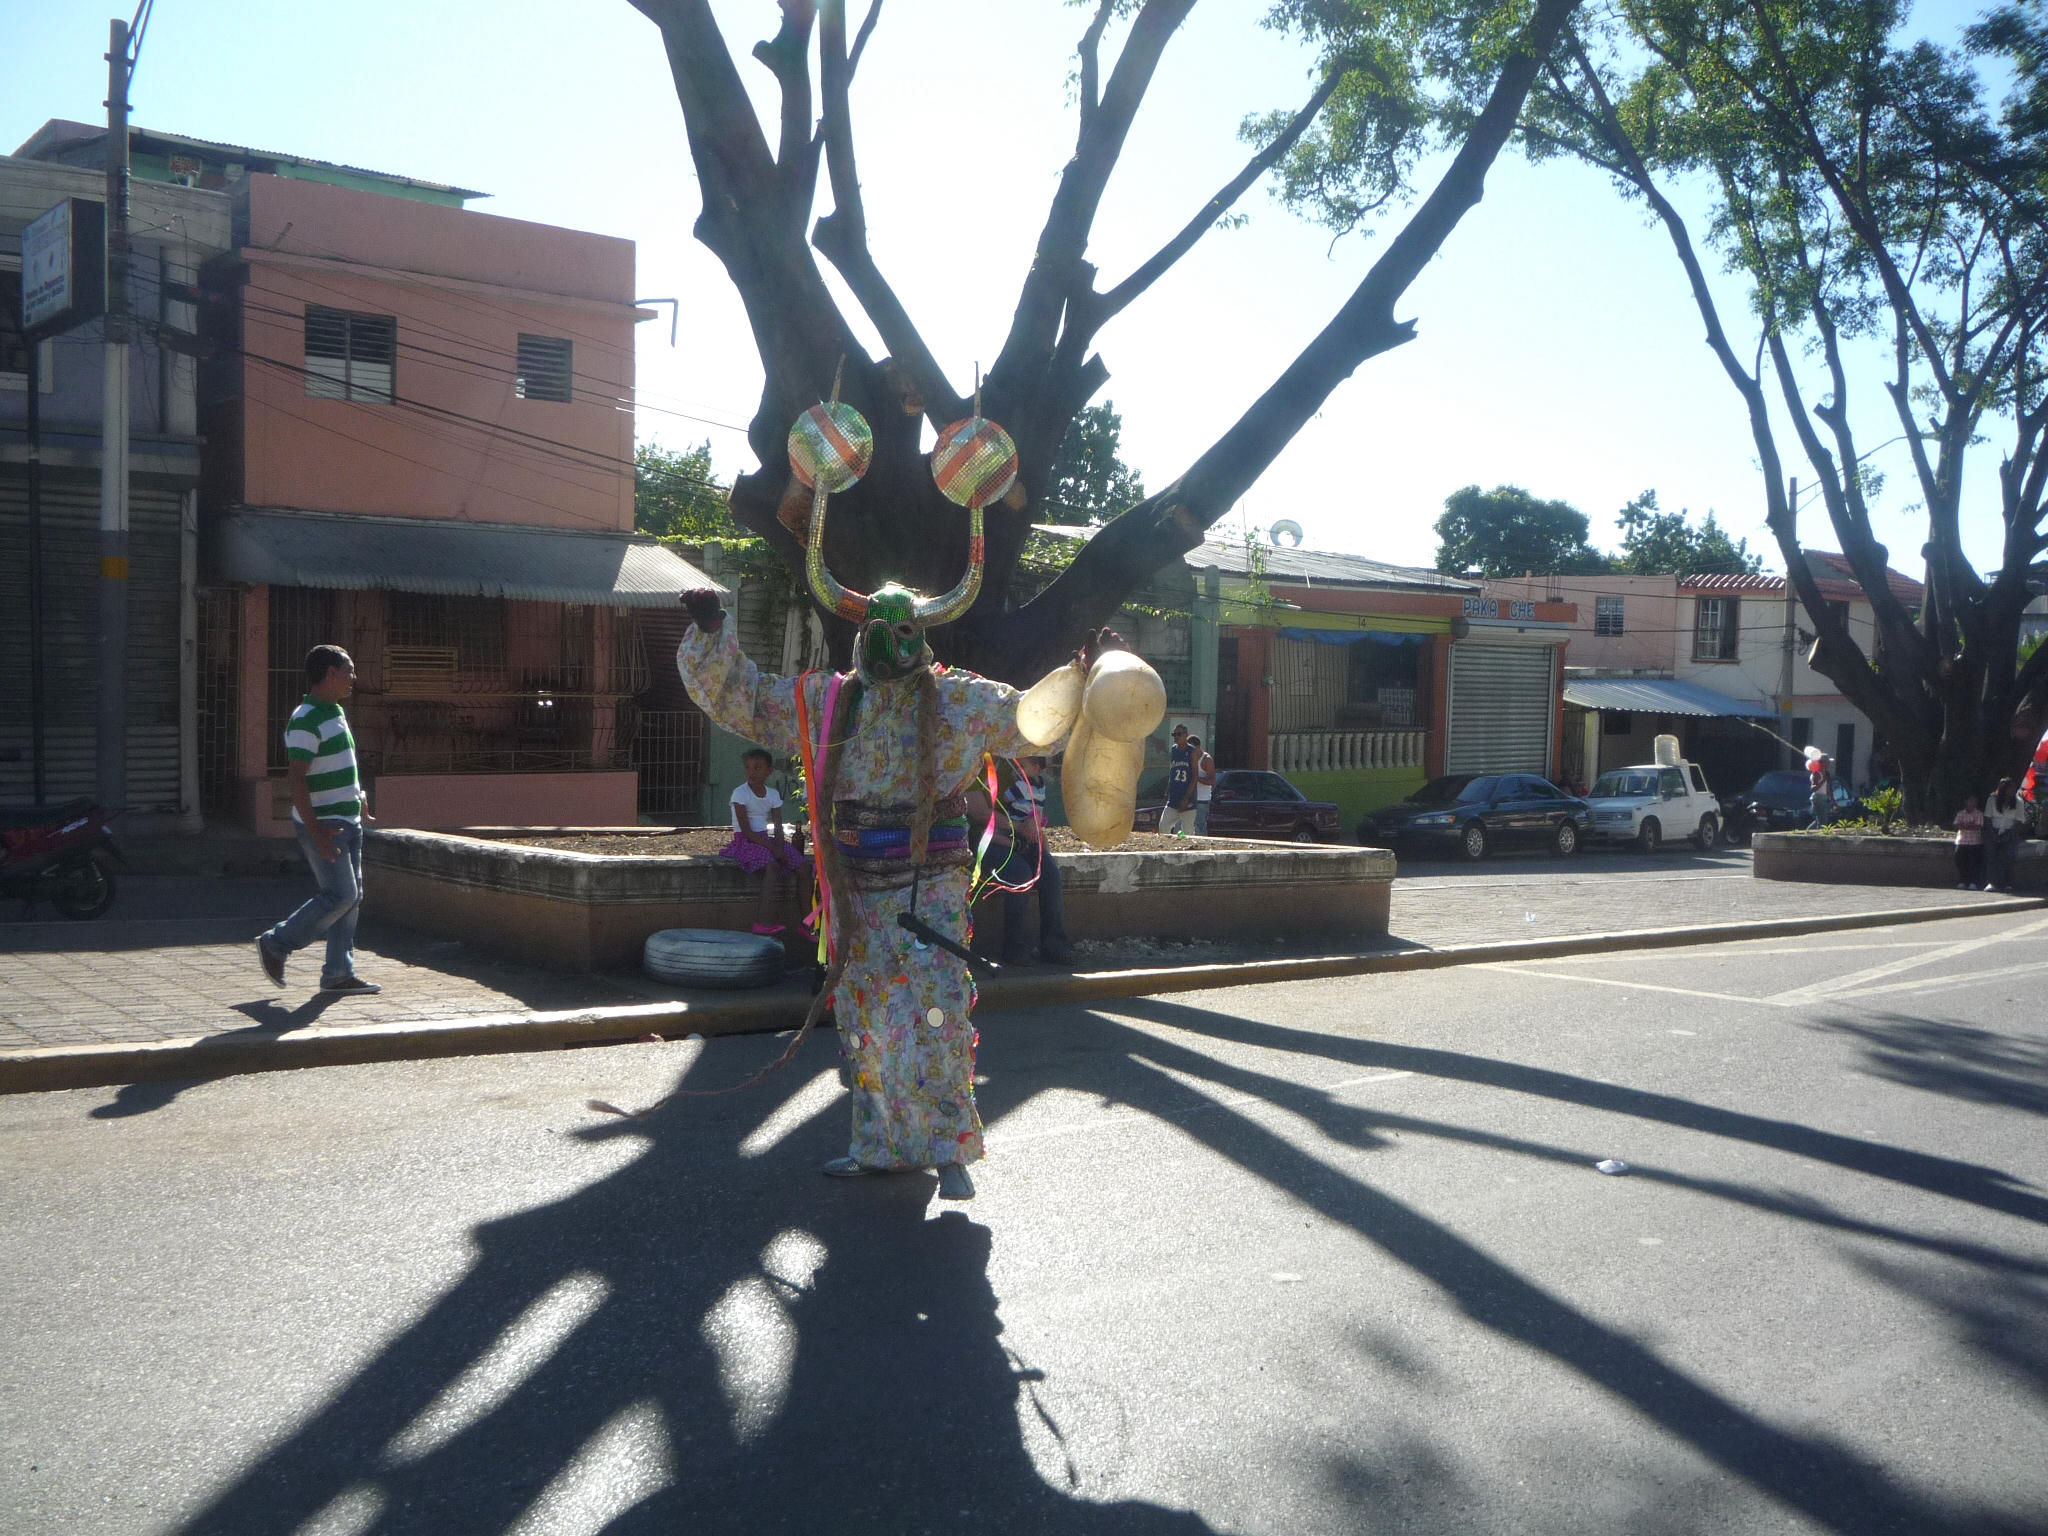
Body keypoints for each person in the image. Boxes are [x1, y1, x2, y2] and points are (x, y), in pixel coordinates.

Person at [256, 645, 379, 995]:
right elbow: (296, 778)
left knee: (351, 897)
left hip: (347, 819)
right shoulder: (306, 718)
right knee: (340, 895)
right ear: (330, 673)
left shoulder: (334, 712)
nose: (353, 677)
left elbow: (340, 763)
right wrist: (316, 832)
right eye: (348, 670)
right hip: (325, 825)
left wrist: (360, 798)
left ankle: (338, 974)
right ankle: (276, 943)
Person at [977, 755, 1072, 966]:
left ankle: (1054, 944)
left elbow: (1036, 810)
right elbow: (980, 813)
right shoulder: (976, 766)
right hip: (989, 841)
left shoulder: (1023, 771)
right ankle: (1014, 947)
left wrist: (1035, 828)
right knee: (1019, 873)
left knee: (1050, 875)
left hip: (1023, 840)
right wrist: (1018, 827)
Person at [723, 747, 810, 934]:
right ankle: (762, 923)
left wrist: (779, 846)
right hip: (745, 841)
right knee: (772, 866)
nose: (751, 772)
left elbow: (778, 827)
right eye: (748, 768)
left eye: (757, 768)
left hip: (766, 839)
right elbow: (746, 831)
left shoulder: (772, 794)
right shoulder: (740, 794)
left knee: (803, 867)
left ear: (769, 771)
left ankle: (807, 925)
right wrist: (774, 850)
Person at [1984, 778, 2026, 891]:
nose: (2012, 791)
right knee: (1991, 856)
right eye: (2009, 788)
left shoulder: (2018, 802)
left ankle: (2007, 882)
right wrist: (1993, 834)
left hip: (2010, 831)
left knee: (2007, 856)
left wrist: (2008, 835)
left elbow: (2019, 821)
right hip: (1994, 830)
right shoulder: (1992, 799)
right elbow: (1988, 818)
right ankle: (1991, 882)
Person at [1160, 724, 1197, 836]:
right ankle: (1168, 850)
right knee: (1163, 827)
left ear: (1186, 735)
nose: (1176, 737)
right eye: (1174, 734)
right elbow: (1172, 771)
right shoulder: (1174, 750)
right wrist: (1167, 789)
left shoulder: (1192, 751)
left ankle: (1189, 852)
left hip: (1187, 799)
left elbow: (1195, 776)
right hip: (1173, 798)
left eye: (1179, 734)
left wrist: (1186, 798)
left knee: (1188, 832)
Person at [1953, 794, 1986, 888]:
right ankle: (1962, 881)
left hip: (1975, 842)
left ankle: (1973, 882)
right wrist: (1969, 825)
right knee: (1960, 861)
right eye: (1970, 801)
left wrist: (1964, 825)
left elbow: (1978, 826)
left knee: (1974, 863)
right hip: (1961, 841)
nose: (1972, 803)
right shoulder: (1960, 814)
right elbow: (1956, 825)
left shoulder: (1979, 814)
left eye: (1974, 801)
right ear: (1966, 802)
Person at [1190, 735, 1216, 834]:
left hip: (1202, 799)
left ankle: (1202, 846)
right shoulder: (1189, 757)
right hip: (1189, 797)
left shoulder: (1206, 759)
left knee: (1199, 825)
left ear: (1197, 747)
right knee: (1184, 824)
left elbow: (1212, 781)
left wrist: (1197, 778)